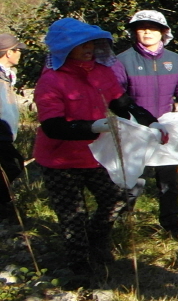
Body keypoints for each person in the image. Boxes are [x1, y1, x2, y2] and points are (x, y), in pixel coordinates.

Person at [34, 18, 162, 274]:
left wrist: (153, 123)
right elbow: (52, 126)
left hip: (97, 156)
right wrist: (91, 127)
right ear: (64, 48)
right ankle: (80, 270)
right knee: (73, 216)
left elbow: (122, 103)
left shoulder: (101, 72)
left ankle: (96, 242)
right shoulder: (52, 80)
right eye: (82, 44)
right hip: (60, 160)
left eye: (91, 43)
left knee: (118, 196)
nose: (89, 48)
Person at [113, 10, 178, 237]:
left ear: (164, 32)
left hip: (166, 128)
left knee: (168, 181)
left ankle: (172, 226)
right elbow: (116, 95)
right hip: (135, 128)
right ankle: (125, 227)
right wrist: (133, 119)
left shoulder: (174, 60)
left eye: (152, 27)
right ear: (133, 32)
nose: (146, 31)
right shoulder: (122, 60)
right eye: (141, 27)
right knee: (132, 179)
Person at [0, 34, 27, 222]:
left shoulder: (7, 75)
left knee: (13, 167)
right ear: (8, 52)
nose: (20, 54)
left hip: (7, 135)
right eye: (18, 50)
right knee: (13, 166)